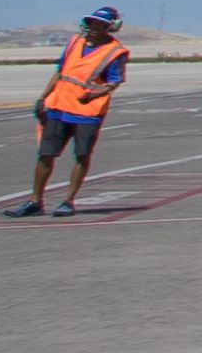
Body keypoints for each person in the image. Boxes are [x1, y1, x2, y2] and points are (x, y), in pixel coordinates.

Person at [20, 13, 130, 217]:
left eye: (100, 24)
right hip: (59, 106)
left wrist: (96, 93)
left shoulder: (115, 52)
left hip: (87, 112)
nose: (94, 27)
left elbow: (114, 82)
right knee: (46, 154)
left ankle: (68, 200)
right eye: (91, 23)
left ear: (110, 27)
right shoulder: (75, 42)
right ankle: (35, 200)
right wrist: (43, 98)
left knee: (81, 155)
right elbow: (60, 71)